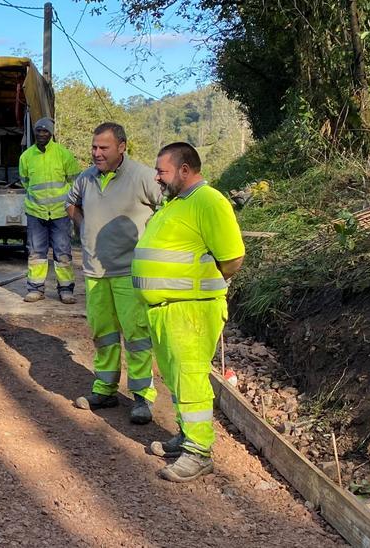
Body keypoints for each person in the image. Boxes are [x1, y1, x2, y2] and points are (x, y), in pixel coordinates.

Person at [132, 142, 244, 482]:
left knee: (191, 377)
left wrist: (198, 287)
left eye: (162, 171)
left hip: (191, 311)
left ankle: (199, 452)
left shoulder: (209, 201)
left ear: (184, 170)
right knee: (177, 377)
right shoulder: (176, 203)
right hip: (168, 311)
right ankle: (186, 435)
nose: (157, 177)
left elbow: (233, 259)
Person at [66, 123, 162, 424]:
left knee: (137, 336)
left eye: (103, 148)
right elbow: (70, 203)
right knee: (103, 334)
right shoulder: (86, 178)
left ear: (122, 146)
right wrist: (84, 228)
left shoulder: (144, 177)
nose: (96, 153)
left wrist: (151, 243)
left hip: (129, 272)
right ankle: (105, 389)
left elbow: (167, 211)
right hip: (95, 271)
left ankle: (142, 398)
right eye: (94, 147)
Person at [19, 117, 80, 304]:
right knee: (36, 253)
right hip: (35, 212)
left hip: (60, 213)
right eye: (38, 131)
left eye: (45, 131)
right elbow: (25, 181)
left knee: (62, 253)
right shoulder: (26, 157)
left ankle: (66, 290)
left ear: (51, 133)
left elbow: (75, 182)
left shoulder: (64, 154)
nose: (41, 134)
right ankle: (36, 289)